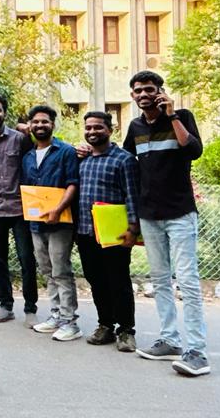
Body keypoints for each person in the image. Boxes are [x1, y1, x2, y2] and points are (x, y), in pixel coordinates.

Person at [123, 71, 209, 376]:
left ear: (160, 91)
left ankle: (197, 350)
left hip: (180, 213)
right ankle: (170, 339)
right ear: (132, 96)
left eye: (149, 89)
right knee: (159, 279)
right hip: (149, 216)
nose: (143, 94)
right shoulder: (134, 127)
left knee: (187, 280)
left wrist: (172, 116)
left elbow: (193, 151)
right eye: (138, 91)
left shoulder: (182, 116)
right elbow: (124, 162)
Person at [76, 111, 140, 352]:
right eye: (89, 128)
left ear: (110, 130)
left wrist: (133, 229)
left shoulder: (123, 160)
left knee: (119, 281)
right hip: (85, 231)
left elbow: (132, 195)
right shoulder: (82, 159)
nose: (92, 132)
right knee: (96, 281)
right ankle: (105, 325)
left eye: (98, 128)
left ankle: (126, 331)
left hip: (114, 234)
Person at [21, 105, 81, 341]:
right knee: (47, 271)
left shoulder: (65, 151)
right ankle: (55, 314)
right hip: (37, 223)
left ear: (53, 125)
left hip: (60, 223)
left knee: (61, 270)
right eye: (35, 122)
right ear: (30, 126)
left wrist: (58, 209)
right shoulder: (27, 156)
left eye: (45, 122)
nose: (40, 126)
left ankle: (70, 321)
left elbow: (72, 184)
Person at [0, 94, 38, 325]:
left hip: (20, 208)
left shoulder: (20, 139)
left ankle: (31, 308)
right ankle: (6, 305)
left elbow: (32, 160)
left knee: (26, 258)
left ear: (4, 113)